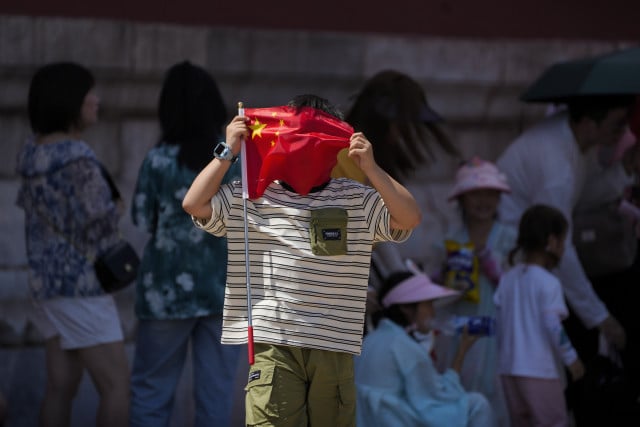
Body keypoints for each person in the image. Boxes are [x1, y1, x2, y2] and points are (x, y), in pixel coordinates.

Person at [182, 94, 422, 426]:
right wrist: (228, 152)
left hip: (334, 346)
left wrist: (372, 167)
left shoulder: (355, 197)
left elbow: (408, 218)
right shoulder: (252, 194)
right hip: (274, 345)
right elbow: (194, 203)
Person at [15, 62, 129, 426]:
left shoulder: (31, 155)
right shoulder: (78, 158)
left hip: (46, 286)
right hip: (82, 288)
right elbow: (102, 227)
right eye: (88, 94)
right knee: (117, 387)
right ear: (70, 102)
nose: (96, 100)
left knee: (60, 387)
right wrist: (118, 207)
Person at [129, 61, 242, 427]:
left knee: (150, 393)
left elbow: (142, 218)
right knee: (216, 397)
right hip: (224, 291)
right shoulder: (235, 163)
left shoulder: (158, 161)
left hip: (165, 292)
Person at [495, 95, 635, 350]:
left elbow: (581, 195)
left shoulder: (577, 140)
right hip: (511, 260)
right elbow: (560, 245)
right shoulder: (555, 165)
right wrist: (600, 318)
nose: (624, 130)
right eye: (618, 123)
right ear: (590, 123)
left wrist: (625, 168)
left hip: (533, 257)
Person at [432, 157, 516, 427]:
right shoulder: (449, 240)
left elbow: (520, 290)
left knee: (500, 392)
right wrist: (442, 277)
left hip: (499, 329)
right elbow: (433, 293)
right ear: (462, 200)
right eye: (475, 194)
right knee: (462, 388)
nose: (483, 201)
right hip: (459, 329)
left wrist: (493, 268)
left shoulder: (510, 238)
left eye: (490, 194)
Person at [355, 270, 494, 427]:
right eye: (428, 304)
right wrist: (461, 352)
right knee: (478, 404)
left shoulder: (370, 340)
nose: (433, 312)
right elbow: (439, 397)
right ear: (406, 307)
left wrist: (462, 349)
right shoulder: (403, 346)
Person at [494, 204, 585, 427]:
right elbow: (552, 324)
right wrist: (571, 358)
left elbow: (500, 320)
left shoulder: (509, 278)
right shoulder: (549, 283)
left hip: (508, 370)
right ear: (552, 242)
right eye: (563, 241)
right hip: (538, 371)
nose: (564, 247)